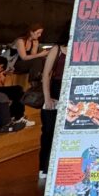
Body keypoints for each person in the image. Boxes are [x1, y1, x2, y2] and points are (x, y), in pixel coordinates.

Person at [39, 30, 69, 181]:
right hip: (55, 93)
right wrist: (47, 97)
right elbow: (46, 74)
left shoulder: (80, 49)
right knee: (49, 131)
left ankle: (59, 167)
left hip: (71, 93)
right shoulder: (57, 49)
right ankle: (43, 167)